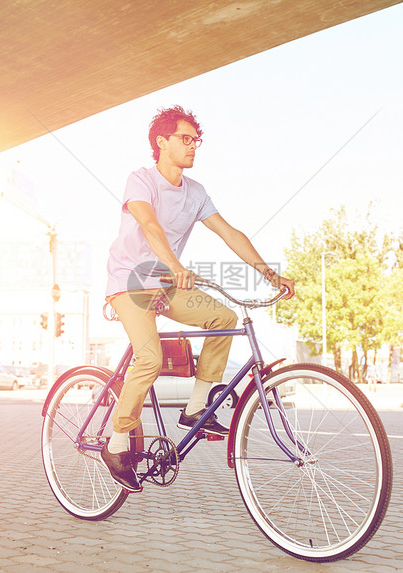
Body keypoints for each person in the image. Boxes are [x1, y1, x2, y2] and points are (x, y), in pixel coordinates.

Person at [102, 105, 295, 492]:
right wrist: (174, 265)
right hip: (130, 280)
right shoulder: (141, 180)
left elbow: (230, 233)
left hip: (167, 281)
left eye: (197, 140)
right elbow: (150, 224)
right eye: (186, 139)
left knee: (223, 319)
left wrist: (269, 274)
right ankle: (117, 441)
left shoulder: (196, 192)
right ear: (162, 142)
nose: (194, 146)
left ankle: (195, 410)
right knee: (150, 358)